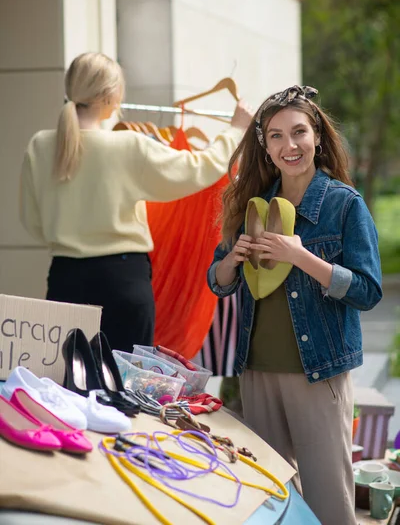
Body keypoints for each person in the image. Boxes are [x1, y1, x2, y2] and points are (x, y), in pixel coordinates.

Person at [207, 85, 382, 525]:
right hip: (256, 372)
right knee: (270, 502)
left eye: (299, 132)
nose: (291, 145)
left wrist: (301, 256)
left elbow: (367, 290)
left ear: (318, 136)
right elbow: (218, 282)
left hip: (318, 374)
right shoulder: (252, 204)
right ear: (264, 146)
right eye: (277, 136)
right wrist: (233, 259)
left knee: (329, 503)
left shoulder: (345, 205)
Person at [20, 52, 253, 353]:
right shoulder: (128, 146)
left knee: (65, 392)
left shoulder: (39, 145)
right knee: (124, 391)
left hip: (65, 278)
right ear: (110, 96)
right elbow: (199, 167)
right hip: (123, 281)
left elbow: (32, 221)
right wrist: (235, 130)